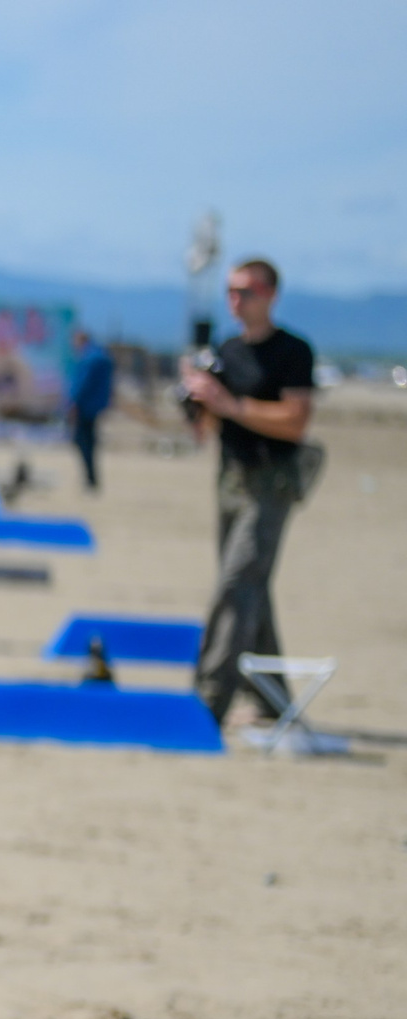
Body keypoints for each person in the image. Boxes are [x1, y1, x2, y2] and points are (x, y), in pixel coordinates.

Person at [182, 258, 317, 724]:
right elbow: (208, 423)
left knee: (236, 586)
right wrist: (198, 401)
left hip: (271, 482)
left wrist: (232, 405)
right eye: (231, 291)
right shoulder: (226, 349)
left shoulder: (293, 350)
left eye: (247, 291)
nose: (236, 300)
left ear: (271, 294)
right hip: (230, 479)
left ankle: (208, 700)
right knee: (250, 589)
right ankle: (272, 699)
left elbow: (296, 420)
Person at [67, 325, 115, 492]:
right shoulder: (101, 356)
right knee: (89, 442)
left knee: (83, 442)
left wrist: (73, 402)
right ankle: (91, 478)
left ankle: (90, 479)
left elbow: (82, 384)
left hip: (85, 406)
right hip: (95, 406)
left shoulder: (89, 358)